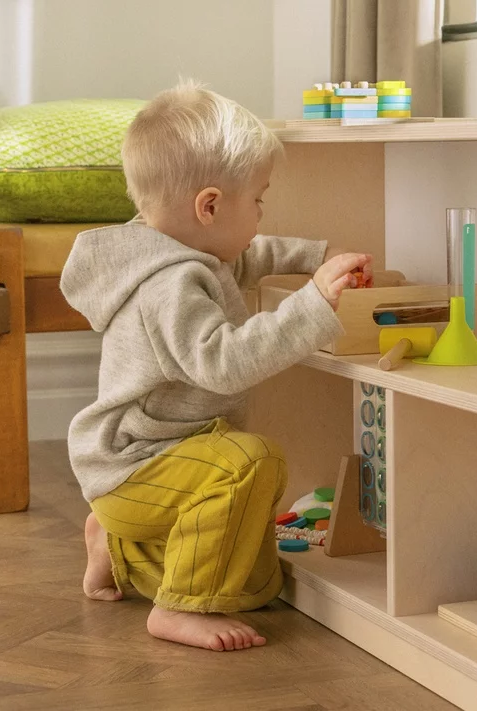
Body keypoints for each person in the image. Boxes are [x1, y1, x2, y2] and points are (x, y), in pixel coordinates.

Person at [60, 79, 371, 652]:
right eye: (257, 200)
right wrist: (314, 303)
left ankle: (120, 550)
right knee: (248, 463)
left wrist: (316, 257)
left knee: (256, 585)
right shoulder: (170, 283)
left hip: (169, 458)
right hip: (135, 465)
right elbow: (223, 363)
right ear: (209, 206)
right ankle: (176, 610)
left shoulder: (186, 249)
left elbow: (251, 254)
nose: (260, 212)